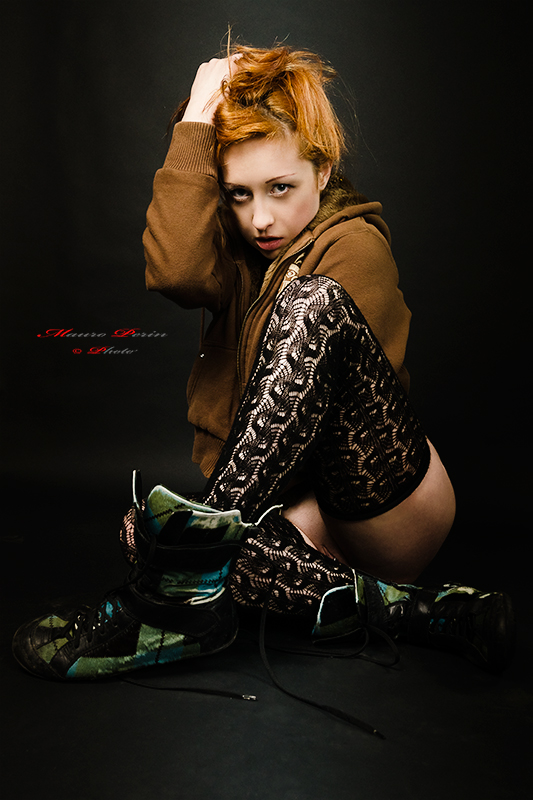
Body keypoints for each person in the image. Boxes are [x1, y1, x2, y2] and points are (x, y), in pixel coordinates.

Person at [12, 45, 514, 684]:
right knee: (143, 530)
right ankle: (414, 612)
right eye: (239, 195)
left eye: (281, 188)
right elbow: (174, 270)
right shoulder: (243, 254)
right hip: (288, 521)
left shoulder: (353, 247)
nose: (262, 218)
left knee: (311, 305)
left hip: (383, 507)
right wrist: (197, 120)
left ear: (322, 170)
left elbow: (328, 432)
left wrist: (222, 534)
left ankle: (178, 587)